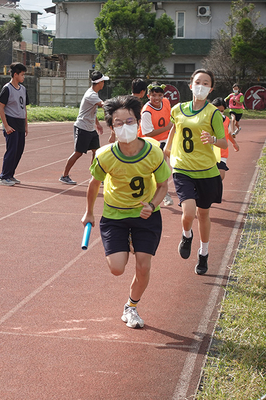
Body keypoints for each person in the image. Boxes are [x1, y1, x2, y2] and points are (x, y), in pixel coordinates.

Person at [81, 95, 171, 329]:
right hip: (115, 216)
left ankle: (131, 307)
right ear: (111, 127)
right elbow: (93, 184)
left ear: (138, 122)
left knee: (143, 266)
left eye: (130, 121)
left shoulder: (153, 152)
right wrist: (89, 212)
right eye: (118, 123)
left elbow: (163, 186)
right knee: (117, 269)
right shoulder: (105, 155)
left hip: (146, 216)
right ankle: (128, 240)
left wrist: (151, 205)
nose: (125, 127)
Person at [165, 69, 228, 275]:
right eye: (197, 82)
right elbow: (175, 127)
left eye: (206, 83)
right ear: (190, 85)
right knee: (188, 213)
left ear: (210, 89)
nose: (201, 85)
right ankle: (186, 235)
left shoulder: (213, 113)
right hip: (183, 168)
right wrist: (167, 147)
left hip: (207, 171)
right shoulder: (177, 109)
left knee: (204, 214)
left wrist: (211, 140)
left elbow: (223, 140)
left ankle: (204, 253)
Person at [59, 70, 107, 185]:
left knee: (96, 152)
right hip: (82, 128)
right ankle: (64, 176)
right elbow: (103, 105)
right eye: (103, 81)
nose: (104, 83)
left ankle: (95, 176)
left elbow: (92, 110)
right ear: (99, 83)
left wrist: (97, 124)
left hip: (90, 128)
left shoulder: (94, 94)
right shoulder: (91, 95)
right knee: (78, 153)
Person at [139, 82, 174, 206]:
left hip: (164, 140)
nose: (157, 98)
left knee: (164, 165)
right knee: (150, 169)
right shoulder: (147, 112)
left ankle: (163, 192)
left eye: (160, 95)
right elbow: (148, 133)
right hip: (150, 142)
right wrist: (167, 127)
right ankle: (156, 192)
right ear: (148, 95)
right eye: (154, 95)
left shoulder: (166, 102)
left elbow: (170, 116)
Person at [0, 62, 29, 186]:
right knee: (11, 150)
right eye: (22, 74)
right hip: (11, 122)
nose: (23, 77)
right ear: (15, 75)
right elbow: (1, 108)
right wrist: (6, 126)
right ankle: (3, 176)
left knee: (19, 150)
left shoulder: (23, 89)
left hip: (20, 122)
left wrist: (26, 125)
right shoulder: (7, 89)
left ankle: (10, 174)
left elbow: (24, 108)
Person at [210, 97, 239, 181]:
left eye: (222, 111)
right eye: (217, 110)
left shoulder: (226, 120)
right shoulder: (208, 119)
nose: (219, 112)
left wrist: (234, 143)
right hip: (209, 151)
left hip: (222, 152)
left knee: (220, 176)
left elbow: (228, 133)